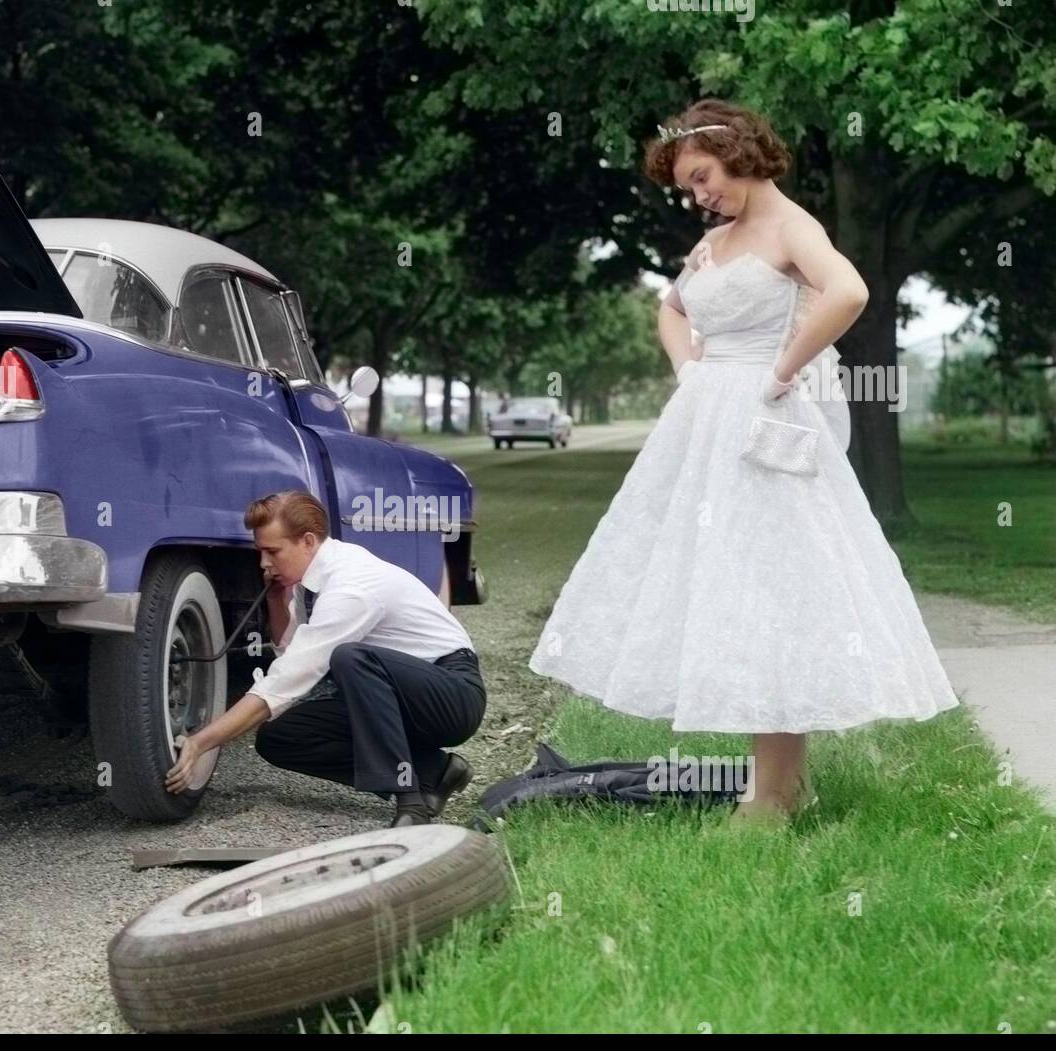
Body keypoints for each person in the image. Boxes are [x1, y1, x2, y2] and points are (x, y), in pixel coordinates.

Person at [527, 99, 959, 825]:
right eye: (689, 188)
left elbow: (850, 291)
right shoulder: (713, 244)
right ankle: (777, 787)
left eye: (703, 177)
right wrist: (688, 369)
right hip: (703, 424)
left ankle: (777, 794)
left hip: (765, 424)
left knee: (771, 589)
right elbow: (672, 309)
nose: (699, 195)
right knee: (721, 586)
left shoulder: (794, 227)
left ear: (739, 153)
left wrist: (782, 370)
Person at [165, 490, 486, 827]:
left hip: (452, 694)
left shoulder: (350, 587)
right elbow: (292, 656)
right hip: (402, 693)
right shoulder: (313, 579)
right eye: (260, 552)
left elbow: (289, 679)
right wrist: (276, 597)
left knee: (350, 659)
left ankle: (411, 806)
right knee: (279, 738)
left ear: (307, 541)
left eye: (272, 551)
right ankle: (434, 772)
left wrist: (201, 742)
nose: (263, 563)